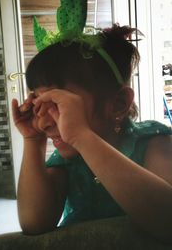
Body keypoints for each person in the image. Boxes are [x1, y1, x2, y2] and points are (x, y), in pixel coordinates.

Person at [12, 24, 172, 242]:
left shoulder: (152, 142)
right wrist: (32, 140)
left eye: (56, 102)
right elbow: (34, 223)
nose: (43, 122)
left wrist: (82, 136)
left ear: (118, 104)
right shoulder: (67, 162)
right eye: (37, 103)